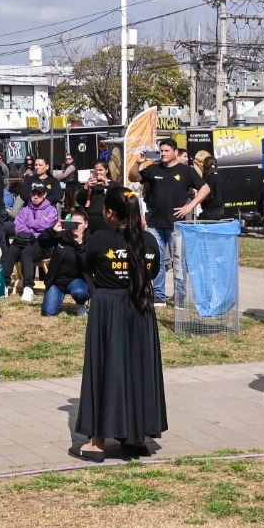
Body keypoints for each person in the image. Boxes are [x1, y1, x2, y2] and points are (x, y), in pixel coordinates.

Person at [70, 187, 166, 461]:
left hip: (108, 308)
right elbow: (153, 272)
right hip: (140, 308)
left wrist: (80, 243)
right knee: (138, 367)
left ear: (111, 213)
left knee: (104, 367)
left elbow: (87, 265)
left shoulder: (101, 239)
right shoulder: (149, 241)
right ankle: (137, 437)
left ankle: (97, 442)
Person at [139, 140, 208, 302]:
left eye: (166, 151)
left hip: (176, 224)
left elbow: (205, 188)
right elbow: (134, 177)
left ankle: (180, 296)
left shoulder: (186, 171)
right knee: (157, 260)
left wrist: (190, 206)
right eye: (161, 151)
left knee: (178, 261)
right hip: (155, 223)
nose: (163, 153)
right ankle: (159, 295)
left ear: (175, 152)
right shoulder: (153, 168)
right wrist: (137, 163)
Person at [9, 173, 58, 302]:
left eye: (39, 194)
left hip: (43, 244)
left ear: (44, 194)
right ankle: (3, 282)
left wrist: (30, 223)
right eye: (33, 194)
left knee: (26, 253)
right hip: (25, 240)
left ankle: (28, 287)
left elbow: (48, 226)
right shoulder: (25, 209)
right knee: (12, 249)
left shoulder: (51, 210)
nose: (35, 196)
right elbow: (18, 227)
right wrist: (35, 228)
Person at [40, 208, 89, 316]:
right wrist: (52, 231)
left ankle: (81, 303)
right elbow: (42, 243)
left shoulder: (89, 240)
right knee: (48, 312)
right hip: (57, 282)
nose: (75, 226)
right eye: (73, 223)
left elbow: (87, 264)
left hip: (77, 281)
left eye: (79, 223)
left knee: (80, 293)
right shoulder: (62, 235)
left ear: (86, 224)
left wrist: (80, 244)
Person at [193, 152, 225, 220]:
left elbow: (208, 195)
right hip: (220, 210)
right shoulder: (219, 177)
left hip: (210, 211)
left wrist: (198, 196)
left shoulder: (208, 178)